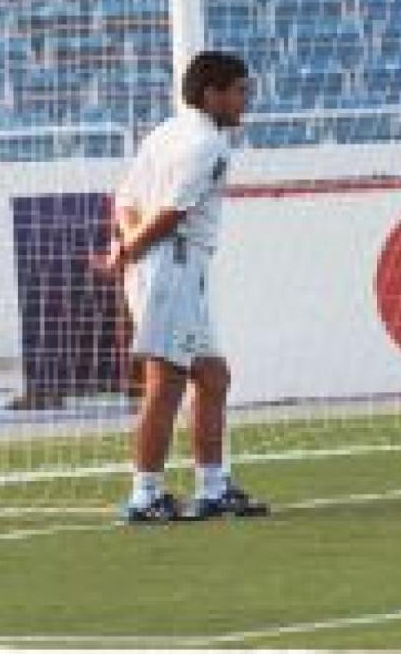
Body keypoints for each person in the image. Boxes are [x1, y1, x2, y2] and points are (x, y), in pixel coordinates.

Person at [101, 50, 270, 523]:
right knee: (167, 383)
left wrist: (130, 245)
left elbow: (126, 199)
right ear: (211, 93)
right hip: (171, 268)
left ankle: (213, 488)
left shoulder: (165, 133)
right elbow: (173, 211)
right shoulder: (207, 145)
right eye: (239, 90)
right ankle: (145, 494)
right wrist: (133, 250)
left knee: (213, 378)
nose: (245, 101)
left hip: (167, 267)